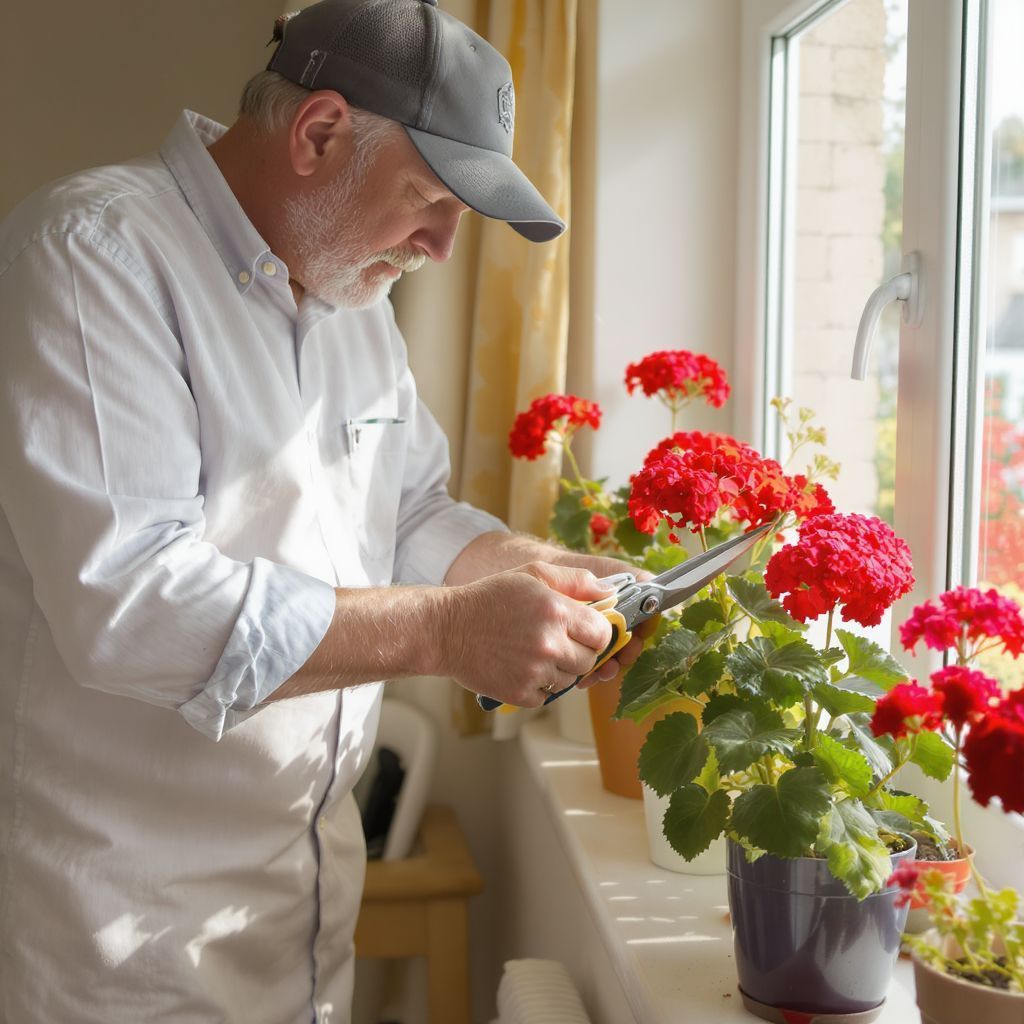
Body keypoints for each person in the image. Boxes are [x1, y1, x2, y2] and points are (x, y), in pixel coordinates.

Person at [0, 1, 648, 1021]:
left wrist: (540, 570)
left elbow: (409, 508)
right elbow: (126, 601)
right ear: (318, 133)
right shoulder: (95, 254)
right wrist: (444, 630)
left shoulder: (356, 305)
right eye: (430, 199)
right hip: (120, 940)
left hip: (299, 918)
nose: (441, 247)